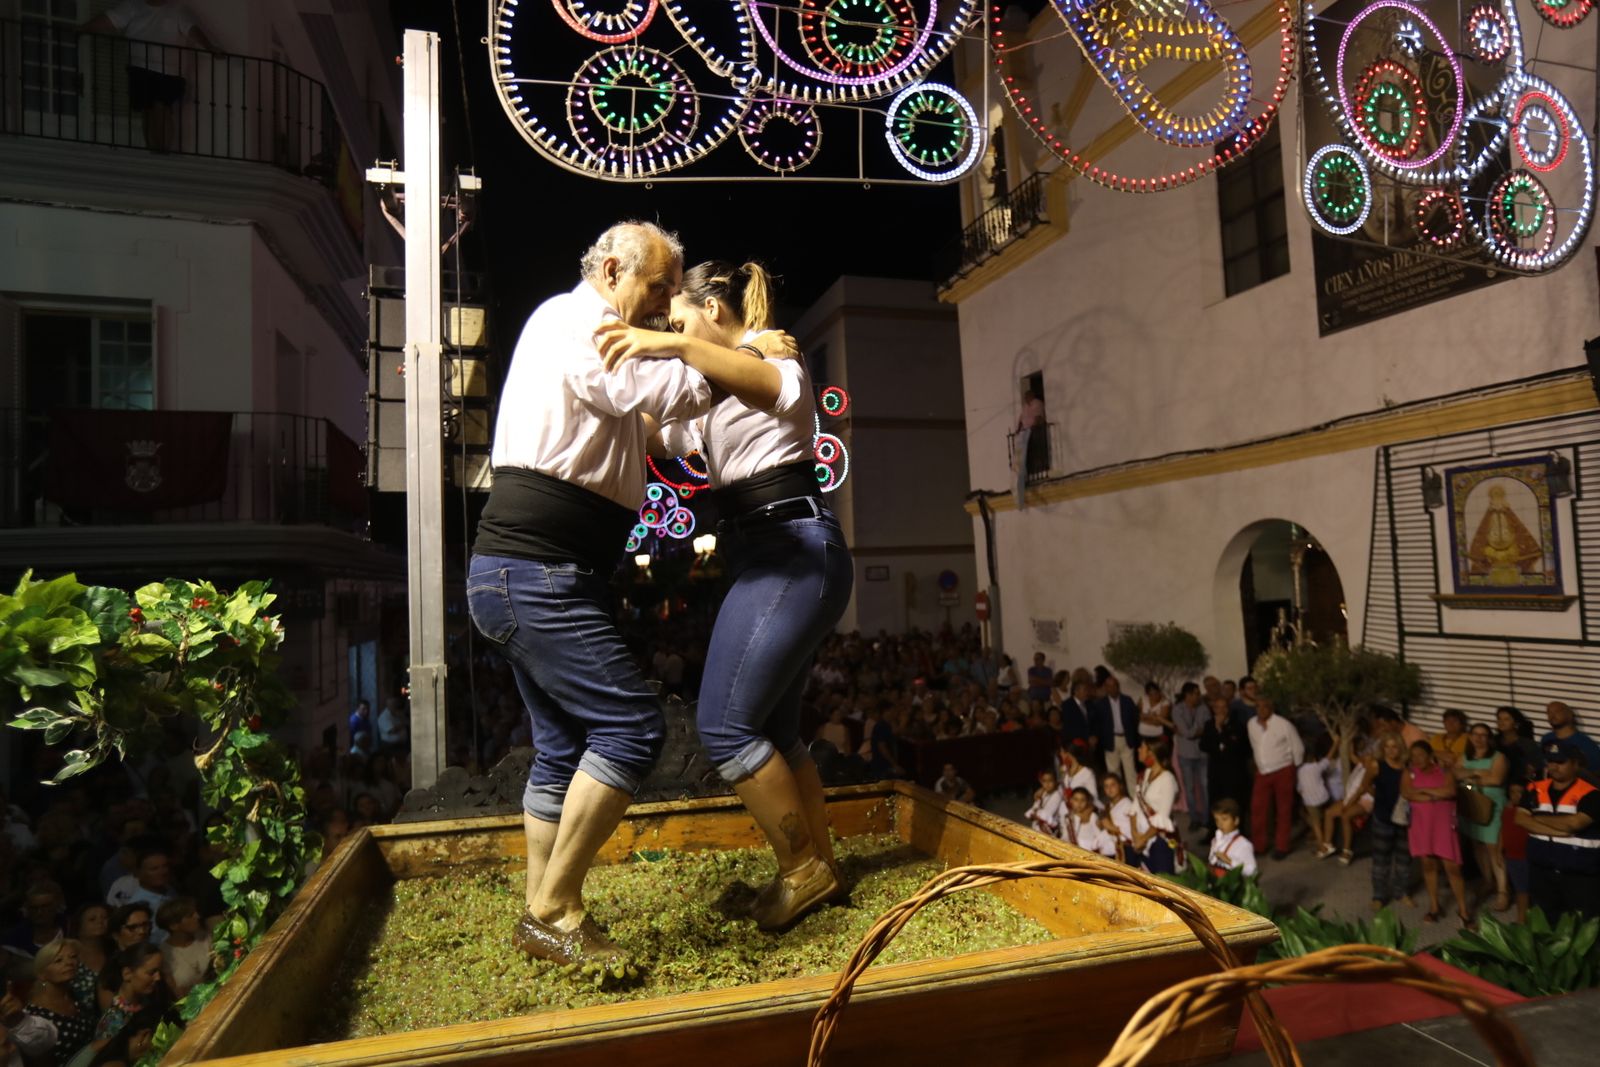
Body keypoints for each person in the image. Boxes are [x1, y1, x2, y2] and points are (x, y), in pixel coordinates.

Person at [466, 221, 717, 968]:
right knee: (634, 730)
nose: (670, 303)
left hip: (534, 572)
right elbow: (669, 386)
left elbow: (664, 429)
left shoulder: (601, 337)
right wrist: (720, 350)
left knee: (561, 748)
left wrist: (698, 387)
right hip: (532, 572)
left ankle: (549, 911)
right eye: (662, 286)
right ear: (612, 269)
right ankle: (550, 911)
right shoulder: (580, 321)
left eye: (676, 291)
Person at [600, 258, 843, 930]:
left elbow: (772, 386)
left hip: (793, 549)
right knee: (777, 734)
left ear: (711, 307)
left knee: (725, 726)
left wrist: (678, 344)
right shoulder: (710, 383)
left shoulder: (775, 353)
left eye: (679, 316)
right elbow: (658, 433)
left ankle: (802, 870)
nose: (670, 329)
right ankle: (818, 868)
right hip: (761, 554)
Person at [83, 1, 218, 153]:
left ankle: (162, 150)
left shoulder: (177, 10)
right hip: (140, 69)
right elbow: (109, 20)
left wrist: (211, 47)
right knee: (148, 109)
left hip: (169, 71)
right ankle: (155, 150)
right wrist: (83, 28)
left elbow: (192, 30)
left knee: (160, 106)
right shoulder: (133, 6)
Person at [1515, 741, 1600, 920]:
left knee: (1585, 927)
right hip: (1541, 871)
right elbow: (1519, 818)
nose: (1553, 766)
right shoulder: (1534, 789)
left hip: (1579, 875)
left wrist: (1535, 818)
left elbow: (1574, 824)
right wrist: (1559, 829)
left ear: (1576, 764)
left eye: (1560, 761)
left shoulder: (1592, 794)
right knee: (1546, 924)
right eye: (1550, 761)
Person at [1402, 741, 1471, 927]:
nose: (1417, 759)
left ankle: (1463, 910)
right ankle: (1434, 906)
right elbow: (1407, 793)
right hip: (1421, 825)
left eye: (1420, 755)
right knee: (1428, 865)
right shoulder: (1409, 772)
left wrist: (1423, 791)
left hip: (1443, 825)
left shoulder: (1445, 772)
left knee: (1452, 868)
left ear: (1430, 754)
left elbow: (1449, 791)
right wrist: (1435, 796)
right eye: (1413, 756)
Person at [1457, 723, 1509, 913]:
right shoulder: (1465, 756)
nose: (1479, 738)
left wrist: (1468, 776)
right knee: (1477, 845)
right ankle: (1488, 881)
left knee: (1494, 848)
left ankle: (1503, 890)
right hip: (1472, 805)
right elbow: (1455, 773)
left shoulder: (1498, 757)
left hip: (1492, 806)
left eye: (1484, 735)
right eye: (1476, 734)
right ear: (1470, 737)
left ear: (1489, 738)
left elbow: (1496, 779)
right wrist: (1478, 773)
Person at [1246, 698, 1303, 859]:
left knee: (1283, 810)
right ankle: (1259, 845)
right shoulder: (1251, 724)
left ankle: (1282, 846)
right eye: (1258, 706)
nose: (1261, 709)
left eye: (1265, 706)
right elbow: (1254, 745)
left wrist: (1294, 770)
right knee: (1258, 809)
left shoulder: (1284, 724)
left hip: (1283, 770)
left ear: (1271, 707)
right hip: (1263, 772)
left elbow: (1298, 748)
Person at [26, 941, 95, 1066]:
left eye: (73, 957)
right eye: (58, 961)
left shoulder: (74, 996)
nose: (69, 963)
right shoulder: (34, 1015)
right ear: (42, 974)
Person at [93, 945, 163, 1043]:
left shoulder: (149, 999)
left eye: (159, 971)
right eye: (151, 973)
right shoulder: (113, 1022)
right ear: (127, 974)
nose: (158, 978)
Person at [1130, 739, 1180, 874]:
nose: (1138, 750)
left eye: (1142, 748)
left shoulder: (1167, 779)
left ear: (1151, 753)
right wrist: (1135, 835)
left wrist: (1143, 839)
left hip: (1160, 842)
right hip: (1140, 839)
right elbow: (1134, 807)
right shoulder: (1144, 774)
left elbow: (1163, 818)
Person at [1200, 696, 1251, 813]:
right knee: (1215, 800)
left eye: (1224, 707)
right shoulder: (1209, 725)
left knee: (1234, 802)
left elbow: (1237, 747)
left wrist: (1221, 730)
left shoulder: (1238, 726)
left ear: (1228, 709)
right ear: (1214, 709)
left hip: (1233, 772)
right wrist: (1216, 733)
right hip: (1215, 771)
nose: (1221, 710)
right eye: (1218, 707)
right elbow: (1203, 745)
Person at [1091, 677, 1141, 794]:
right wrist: (1096, 736)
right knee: (1113, 772)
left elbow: (1135, 719)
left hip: (1126, 739)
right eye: (1108, 686)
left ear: (1118, 687)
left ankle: (1135, 800)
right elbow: (1096, 723)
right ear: (1105, 688)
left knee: (1131, 772)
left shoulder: (1127, 700)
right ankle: (1118, 799)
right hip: (1111, 740)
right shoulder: (1100, 704)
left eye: (1113, 685)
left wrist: (1133, 736)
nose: (1111, 688)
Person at [1171, 683, 1208, 832]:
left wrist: (1192, 731)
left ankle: (1206, 818)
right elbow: (1187, 733)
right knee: (1189, 788)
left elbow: (1205, 728)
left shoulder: (1203, 708)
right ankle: (1194, 818)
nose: (1199, 696)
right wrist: (1196, 731)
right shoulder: (1177, 709)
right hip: (1186, 754)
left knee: (1205, 787)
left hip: (1202, 754)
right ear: (1188, 695)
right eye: (1196, 693)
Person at [154, 898, 207, 998]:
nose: (198, 916)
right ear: (174, 926)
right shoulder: (164, 954)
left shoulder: (205, 937)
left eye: (195, 912)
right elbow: (177, 993)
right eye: (190, 915)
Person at [1500, 782, 1531, 924]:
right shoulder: (1506, 811)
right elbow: (1503, 830)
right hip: (1512, 856)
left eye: (1520, 792)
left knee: (1527, 890)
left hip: (1527, 856)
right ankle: (1521, 919)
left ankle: (1525, 920)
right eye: (1512, 792)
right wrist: (1500, 847)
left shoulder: (1529, 812)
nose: (1516, 795)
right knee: (1520, 889)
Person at [1540, 701, 1600, 774]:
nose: (1552, 715)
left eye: (1558, 711)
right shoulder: (1546, 739)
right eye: (1549, 712)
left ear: (1569, 715)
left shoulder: (1585, 744)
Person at [1207, 798, 1257, 878]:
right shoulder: (1215, 840)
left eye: (1224, 819)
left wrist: (1230, 861)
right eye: (1217, 820)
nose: (1220, 824)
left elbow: (1252, 871)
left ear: (1236, 820)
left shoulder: (1244, 845)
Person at [1495, 706, 1543, 787]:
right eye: (1499, 719)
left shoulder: (1527, 744)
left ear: (1516, 723)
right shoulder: (1493, 741)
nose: (1501, 722)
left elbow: (1535, 769)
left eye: (1506, 719)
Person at [1097, 773, 1138, 865]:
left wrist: (1110, 827)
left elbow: (1130, 832)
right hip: (1111, 850)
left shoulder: (1127, 804)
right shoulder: (1108, 806)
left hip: (1125, 850)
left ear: (1120, 786)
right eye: (1106, 786)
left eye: (1113, 785)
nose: (1109, 789)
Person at [1060, 788, 1107, 854]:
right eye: (1076, 799)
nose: (1079, 803)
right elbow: (1065, 838)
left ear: (1087, 802)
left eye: (1083, 800)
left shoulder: (1092, 816)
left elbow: (1100, 837)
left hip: (1092, 853)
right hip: (1074, 853)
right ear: (1071, 800)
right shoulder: (1067, 818)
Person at [1024, 770, 1066, 837]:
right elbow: (1035, 807)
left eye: (1050, 781)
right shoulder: (1044, 793)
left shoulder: (1057, 795)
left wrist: (1035, 813)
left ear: (1055, 782)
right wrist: (1033, 812)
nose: (1047, 784)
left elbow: (1047, 814)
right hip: (1038, 827)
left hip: (1049, 830)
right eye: (1044, 781)